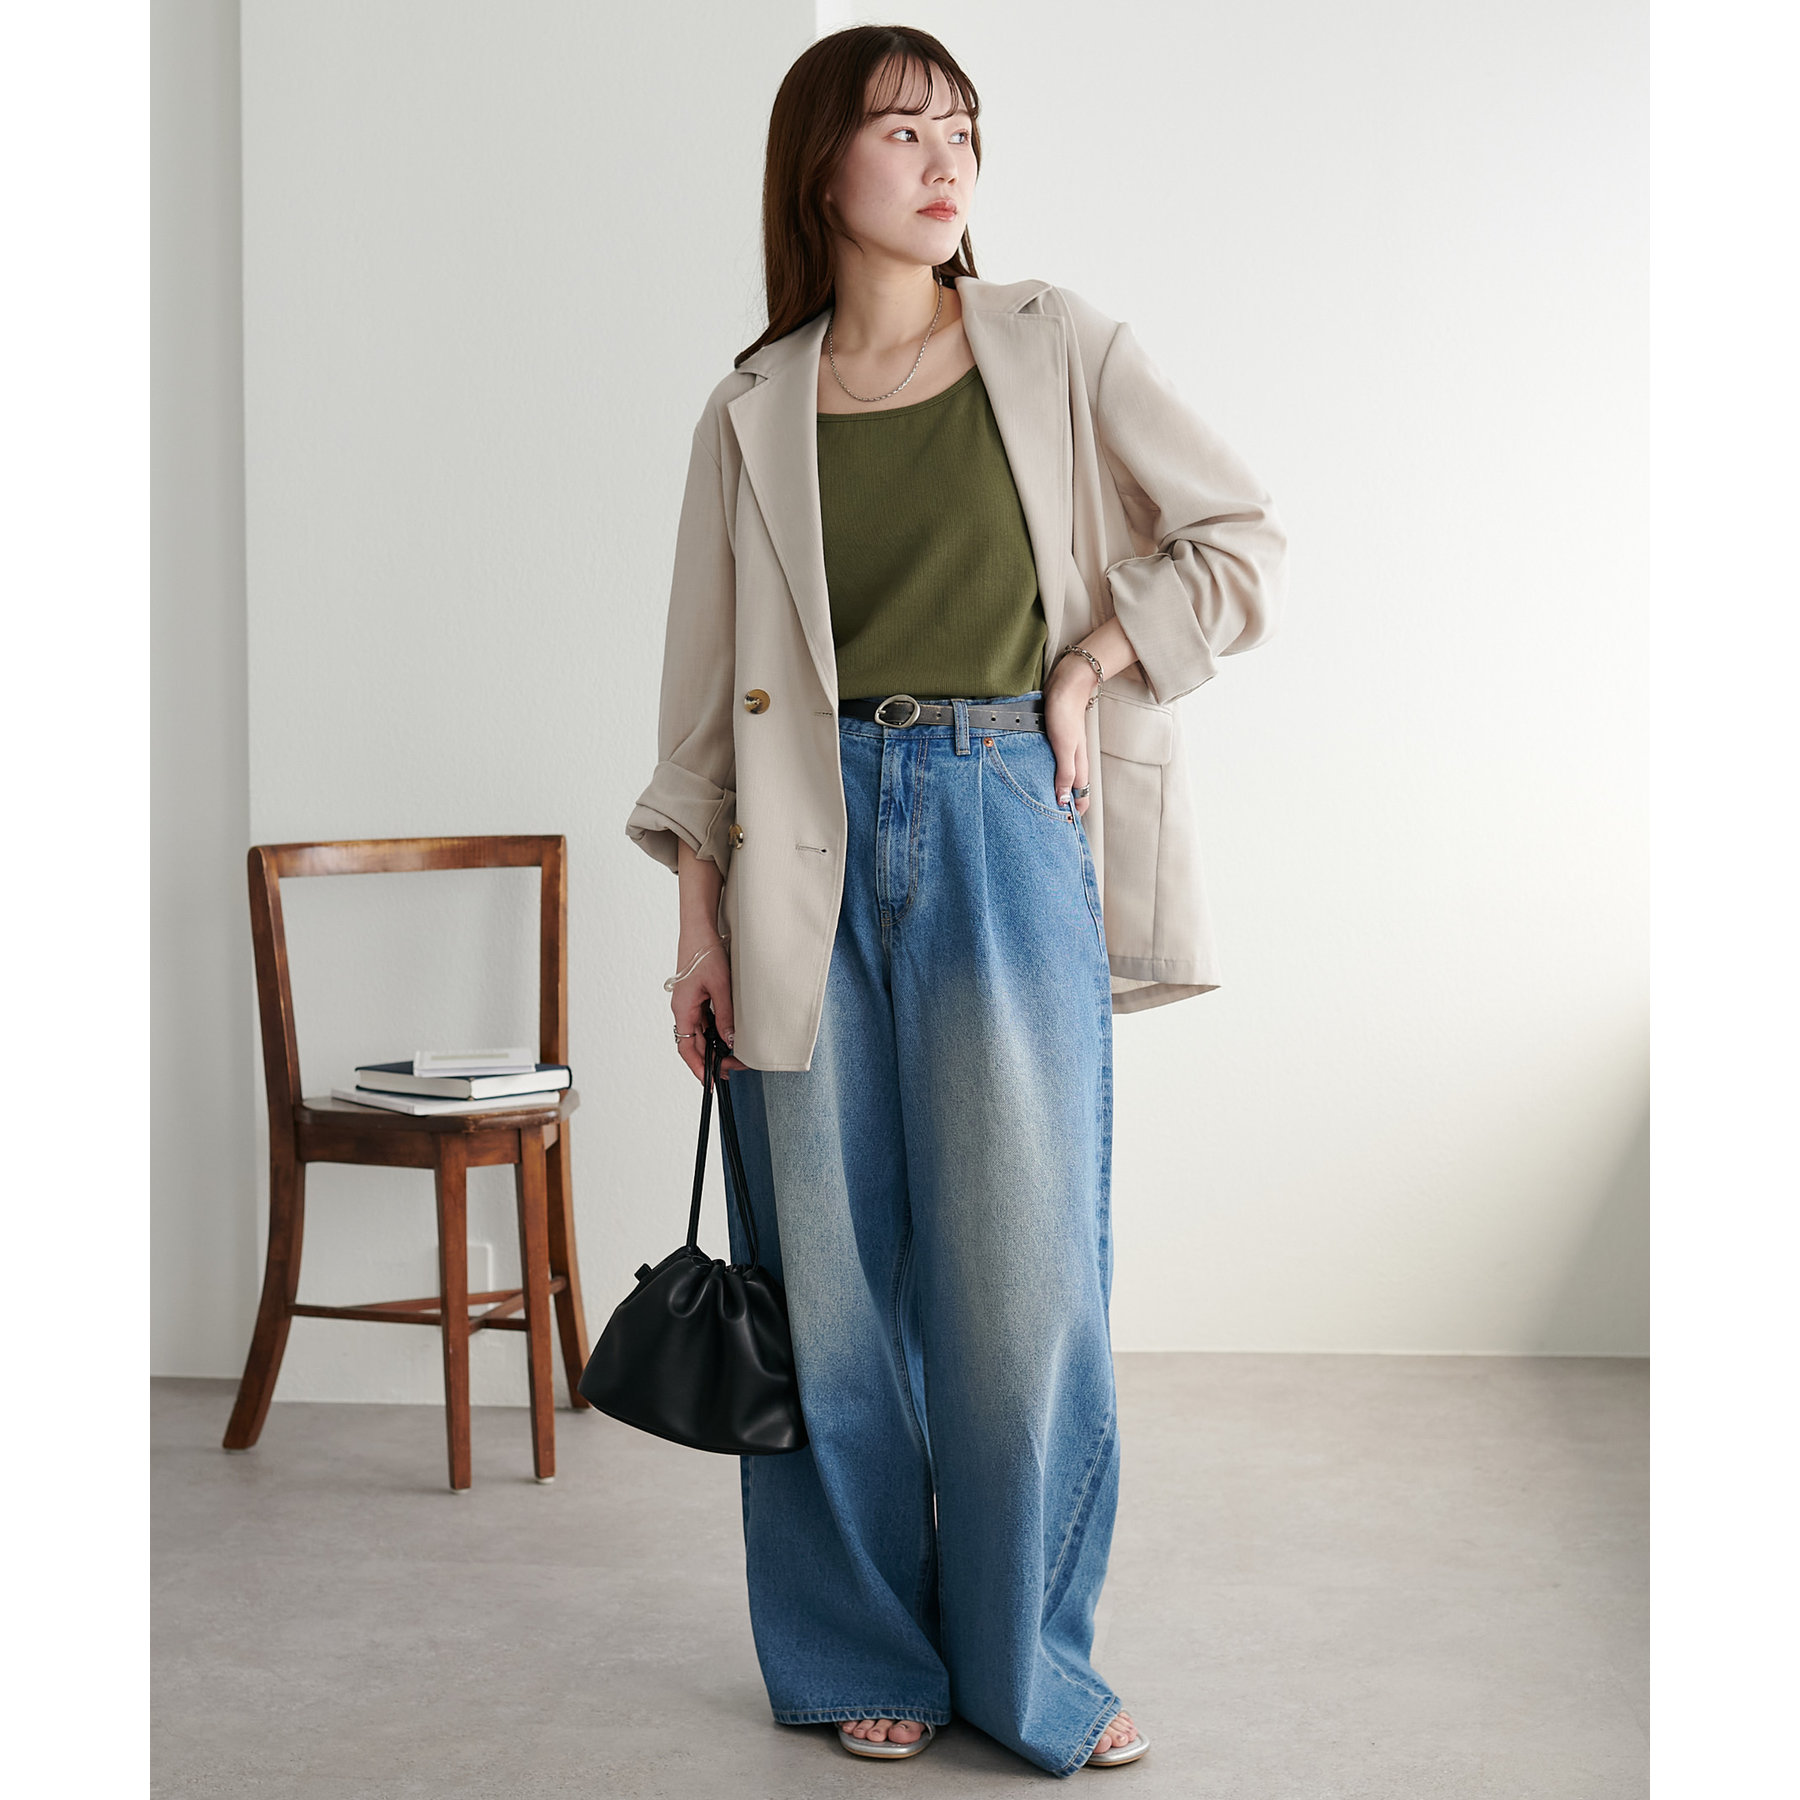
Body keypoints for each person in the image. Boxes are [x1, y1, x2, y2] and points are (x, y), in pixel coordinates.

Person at [624, 23, 1285, 1779]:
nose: (946, 163)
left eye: (964, 133)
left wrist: (1090, 664)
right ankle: (863, 1651)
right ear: (819, 164)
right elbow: (701, 712)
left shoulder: (1055, 342)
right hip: (802, 846)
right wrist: (695, 928)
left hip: (1002, 814)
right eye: (904, 130)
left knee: (1021, 1283)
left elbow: (1237, 540)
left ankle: (1027, 1662)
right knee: (829, 1291)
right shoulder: (751, 408)